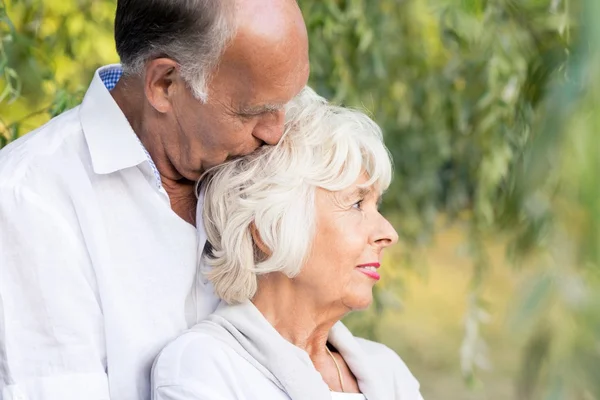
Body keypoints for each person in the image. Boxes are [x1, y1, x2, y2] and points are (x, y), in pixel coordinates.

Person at [0, 0, 309, 398]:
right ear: (165, 85)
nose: (276, 132)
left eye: (288, 103)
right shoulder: (32, 200)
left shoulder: (262, 172)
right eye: (255, 111)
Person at [152, 88, 424, 400]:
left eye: (377, 206)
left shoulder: (388, 370)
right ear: (269, 229)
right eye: (356, 204)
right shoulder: (205, 367)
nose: (388, 232)